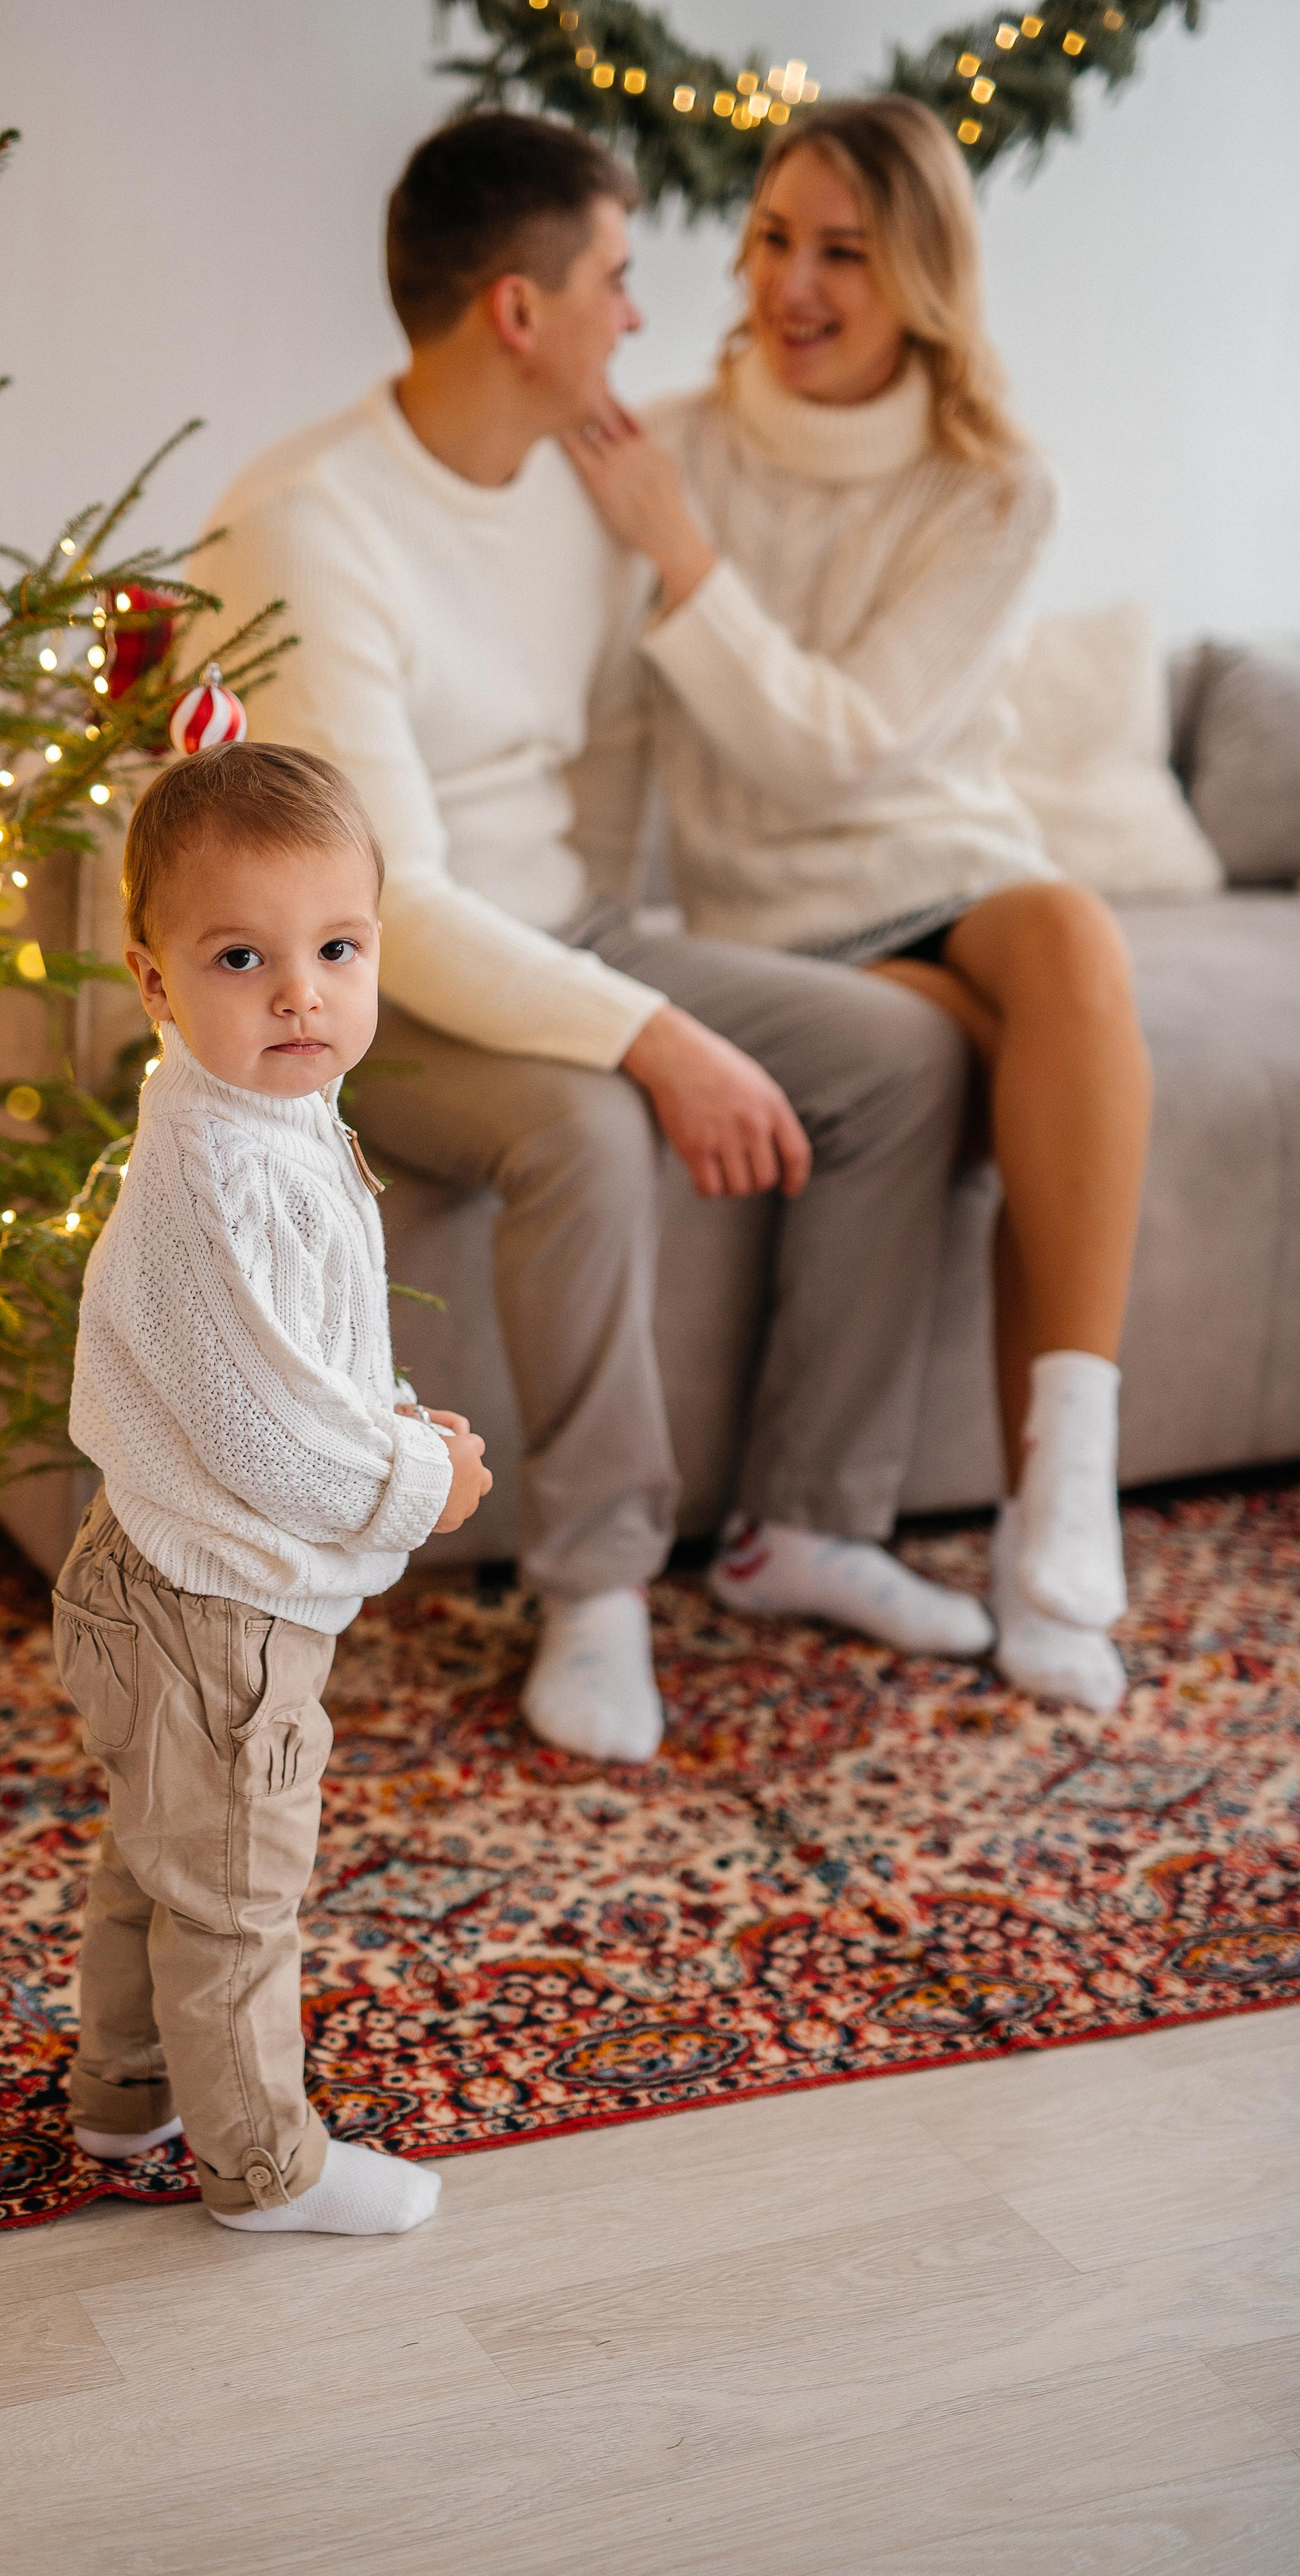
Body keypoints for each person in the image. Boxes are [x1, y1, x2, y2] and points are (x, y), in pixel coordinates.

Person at [194, 112, 989, 1770]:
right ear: (517, 308)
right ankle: (599, 1581)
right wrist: (651, 1033)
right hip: (360, 989)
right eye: (616, 278)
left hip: (570, 924)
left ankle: (805, 1523)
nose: (642, 312)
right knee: (587, 1121)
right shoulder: (306, 519)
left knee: (905, 1053)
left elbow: (615, 764)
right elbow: (386, 907)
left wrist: (656, 978)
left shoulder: (588, 481)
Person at [563, 96, 1151, 1713]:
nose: (792, 284)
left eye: (844, 251)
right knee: (989, 1075)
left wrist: (686, 562)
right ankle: (957, 1530)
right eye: (770, 239)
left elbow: (854, 751)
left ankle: (1058, 1509)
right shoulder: (663, 442)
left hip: (941, 865)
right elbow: (619, 722)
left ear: (922, 279)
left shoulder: (991, 487)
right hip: (771, 914)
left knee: (1071, 943)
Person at [55, 742, 491, 2236]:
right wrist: (420, 1475)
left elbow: (286, 1361)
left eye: (335, 949)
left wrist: (374, 1415)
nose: (300, 991)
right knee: (237, 1892)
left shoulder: (257, 1106)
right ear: (157, 982)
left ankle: (122, 2095)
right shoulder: (223, 1165)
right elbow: (257, 1435)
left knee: (154, 1848)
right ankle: (262, 2171)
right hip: (212, 1604)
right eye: (243, 956)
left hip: (156, 1563)